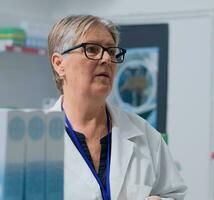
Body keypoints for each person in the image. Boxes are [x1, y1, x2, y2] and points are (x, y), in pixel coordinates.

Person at [47, 14, 187, 200]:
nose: (106, 59)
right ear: (59, 64)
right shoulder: (35, 142)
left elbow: (175, 193)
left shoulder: (143, 134)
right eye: (92, 49)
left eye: (111, 52)